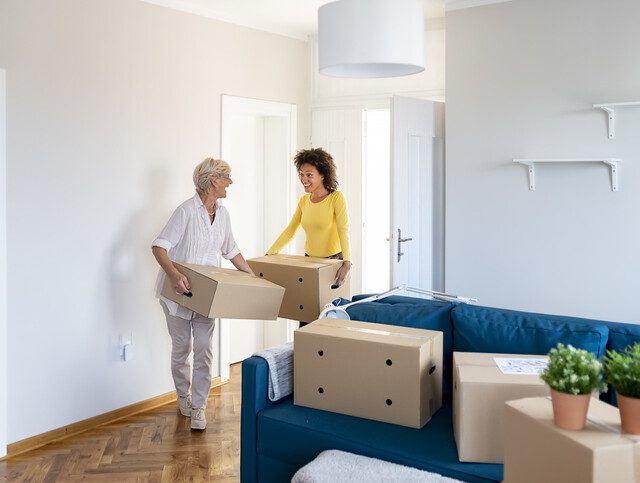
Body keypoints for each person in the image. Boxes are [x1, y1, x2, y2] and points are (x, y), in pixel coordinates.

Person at [151, 157, 253, 430]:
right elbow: (159, 247)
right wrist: (174, 275)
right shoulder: (185, 211)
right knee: (182, 349)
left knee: (205, 351)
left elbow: (231, 250)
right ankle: (182, 396)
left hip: (208, 296)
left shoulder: (224, 215)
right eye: (226, 177)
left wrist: (253, 277)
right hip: (178, 293)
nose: (230, 182)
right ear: (211, 182)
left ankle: (199, 406)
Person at [266, 147, 352, 301]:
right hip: (309, 260)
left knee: (327, 313)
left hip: (333, 262)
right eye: (301, 174)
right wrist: (269, 253)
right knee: (307, 311)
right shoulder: (304, 201)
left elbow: (343, 230)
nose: (304, 179)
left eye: (309, 175)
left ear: (322, 175)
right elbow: (291, 229)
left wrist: (347, 262)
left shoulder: (336, 198)